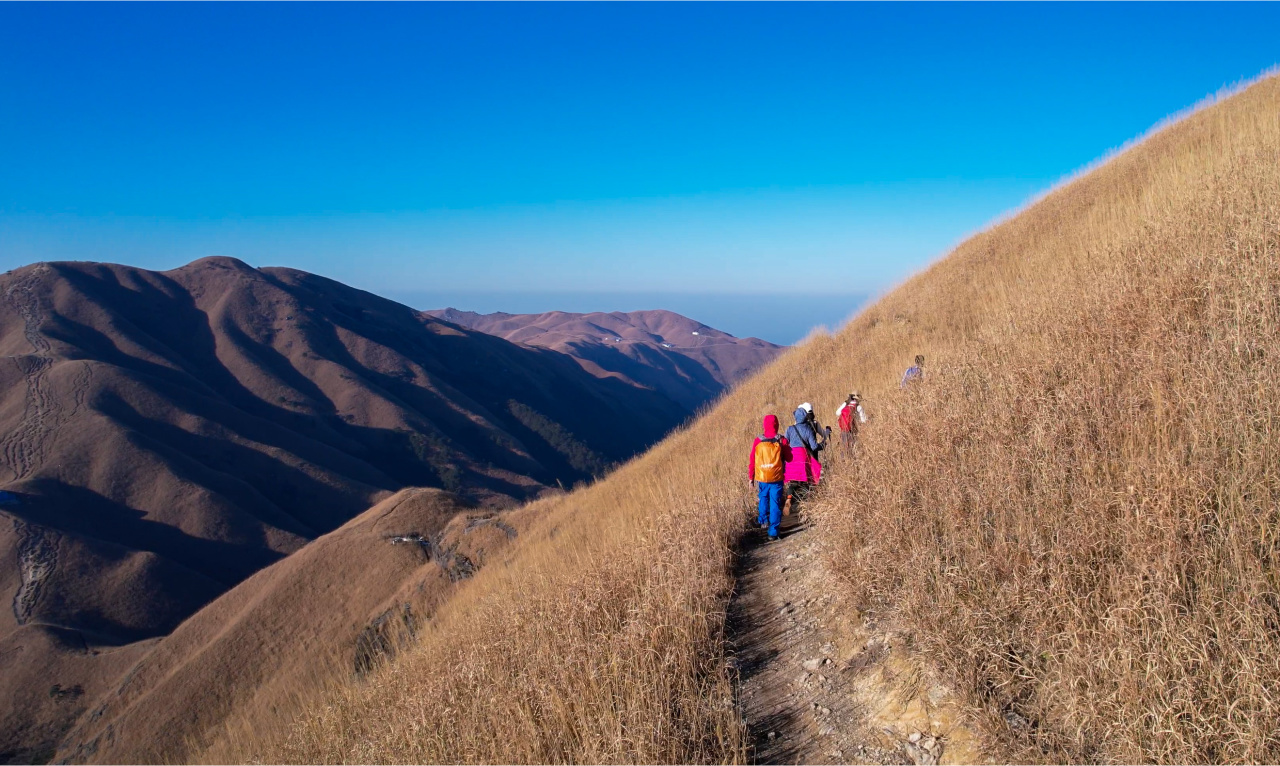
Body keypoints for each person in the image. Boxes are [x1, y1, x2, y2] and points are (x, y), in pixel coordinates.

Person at [748, 414, 789, 541]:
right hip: (776, 477)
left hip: (762, 476)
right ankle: (773, 532)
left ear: (764, 425)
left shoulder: (758, 440)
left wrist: (751, 478)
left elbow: (752, 460)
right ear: (777, 425)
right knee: (775, 503)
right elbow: (790, 458)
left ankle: (763, 521)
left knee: (763, 497)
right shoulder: (781, 440)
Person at [783, 403, 824, 513]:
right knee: (806, 481)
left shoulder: (790, 429)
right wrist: (823, 445)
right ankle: (805, 504)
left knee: (793, 482)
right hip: (803, 456)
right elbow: (814, 447)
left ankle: (789, 498)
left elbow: (785, 443)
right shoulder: (808, 429)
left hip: (791, 457)